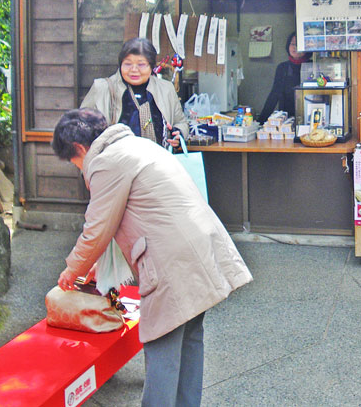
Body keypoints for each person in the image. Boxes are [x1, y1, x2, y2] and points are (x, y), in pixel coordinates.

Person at [53, 109, 252, 407]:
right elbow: (129, 216)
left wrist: (71, 271)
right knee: (189, 339)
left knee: (162, 347)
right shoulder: (138, 145)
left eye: (74, 162)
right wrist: (96, 265)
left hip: (172, 260)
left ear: (80, 149)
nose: (79, 168)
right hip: (198, 248)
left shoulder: (105, 163)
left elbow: (97, 229)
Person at [81, 37, 188, 149]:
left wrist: (178, 133)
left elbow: (181, 122)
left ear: (151, 67)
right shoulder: (102, 88)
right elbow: (81, 126)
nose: (134, 70)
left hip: (156, 162)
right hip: (114, 162)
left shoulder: (166, 89)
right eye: (128, 64)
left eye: (141, 65)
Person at [257, 32, 311, 122]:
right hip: (287, 119)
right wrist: (261, 122)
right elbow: (274, 95)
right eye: (292, 44)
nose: (295, 47)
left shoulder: (312, 66)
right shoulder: (283, 67)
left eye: (298, 44)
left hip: (309, 116)